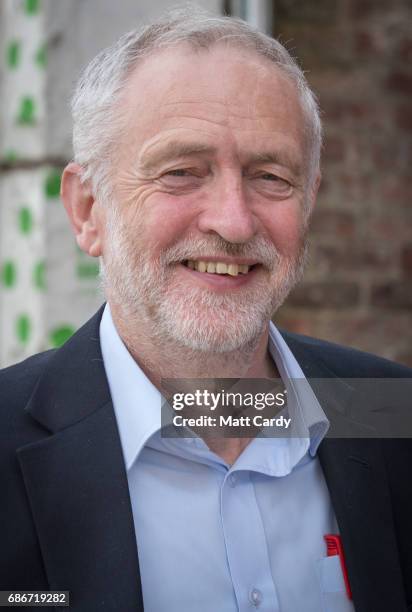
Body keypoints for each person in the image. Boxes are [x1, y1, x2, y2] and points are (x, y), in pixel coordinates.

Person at [1, 8, 411, 612]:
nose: (234, 220)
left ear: (310, 200)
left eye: (271, 176)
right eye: (181, 172)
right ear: (88, 210)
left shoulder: (391, 416)